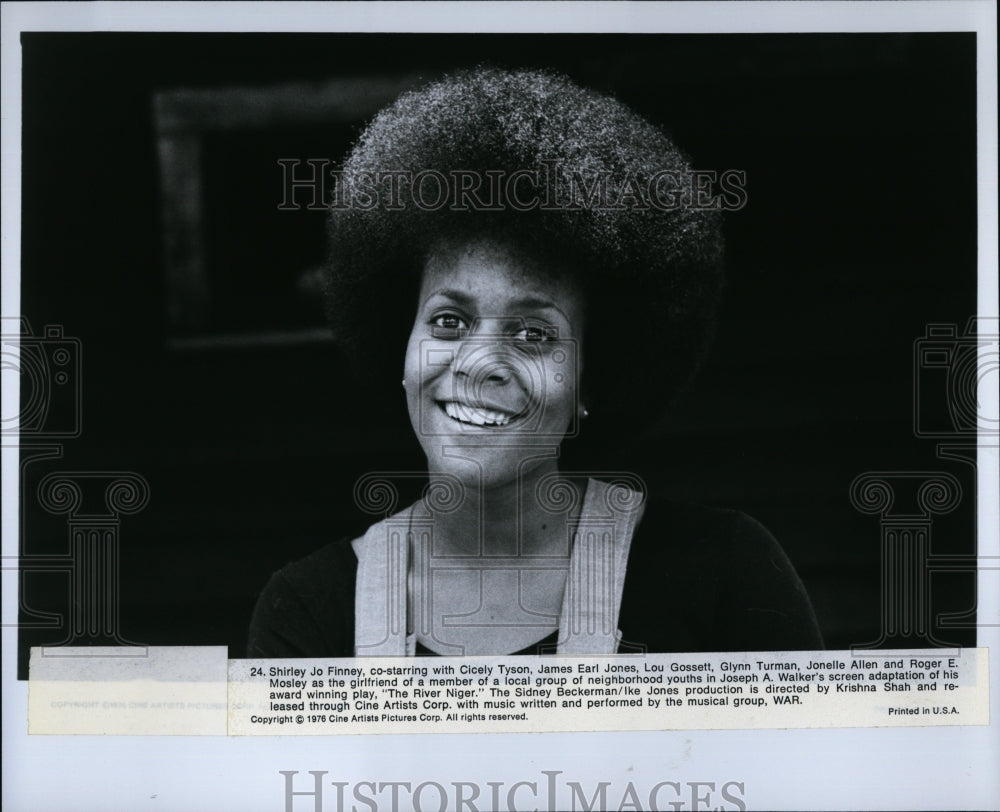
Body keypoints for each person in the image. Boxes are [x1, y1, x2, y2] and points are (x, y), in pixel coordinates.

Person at [247, 67, 822, 657]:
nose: (476, 364)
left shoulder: (724, 572)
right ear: (400, 341)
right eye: (449, 322)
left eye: (532, 332)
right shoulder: (309, 608)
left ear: (588, 378)